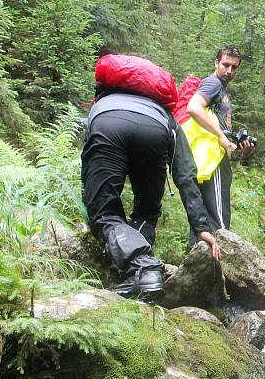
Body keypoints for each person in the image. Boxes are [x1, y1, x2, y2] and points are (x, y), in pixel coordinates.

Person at [81, 87, 220, 300]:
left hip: (108, 123)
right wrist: (201, 226)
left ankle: (141, 268)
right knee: (147, 213)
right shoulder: (164, 113)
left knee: (104, 212)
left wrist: (92, 199)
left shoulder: (102, 103)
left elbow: (88, 162)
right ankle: (144, 275)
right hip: (155, 131)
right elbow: (185, 173)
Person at [185, 45, 254, 234]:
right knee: (219, 223)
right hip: (212, 162)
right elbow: (193, 108)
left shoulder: (222, 90)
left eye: (234, 67)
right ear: (216, 62)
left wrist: (235, 142)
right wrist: (222, 137)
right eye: (225, 65)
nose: (229, 71)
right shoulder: (213, 83)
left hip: (207, 161)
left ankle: (196, 261)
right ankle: (218, 262)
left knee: (202, 222)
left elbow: (212, 122)